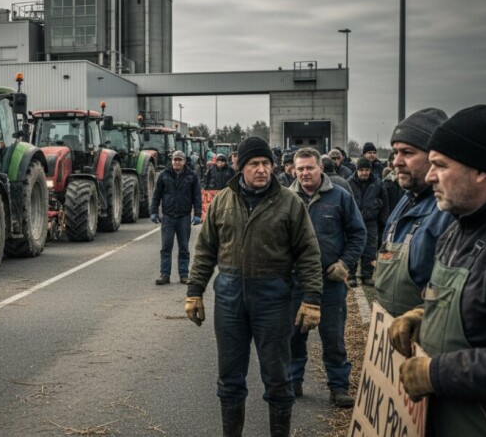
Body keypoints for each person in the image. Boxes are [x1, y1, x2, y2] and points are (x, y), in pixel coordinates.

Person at [389, 105, 486, 435]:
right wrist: (424, 316)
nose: (430, 176)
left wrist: (436, 373)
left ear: (480, 170)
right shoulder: (458, 227)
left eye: (440, 165)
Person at [185, 137, 322, 437]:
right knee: (230, 379)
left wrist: (312, 298)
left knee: (277, 378)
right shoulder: (222, 200)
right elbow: (206, 249)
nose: (261, 170)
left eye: (265, 164)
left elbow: (309, 253)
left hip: (273, 299)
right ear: (240, 166)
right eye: (253, 164)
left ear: (273, 167)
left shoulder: (290, 202)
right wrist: (195, 291)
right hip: (230, 298)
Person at [288, 148, 365, 408]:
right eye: (300, 169)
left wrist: (344, 264)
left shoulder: (340, 197)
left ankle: (339, 386)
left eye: (309, 167)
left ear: (321, 167)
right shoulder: (286, 199)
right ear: (293, 170)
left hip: (330, 283)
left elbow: (358, 233)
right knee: (294, 335)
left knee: (333, 337)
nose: (305, 173)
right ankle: (293, 380)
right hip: (295, 282)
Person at [374, 108, 454, 317]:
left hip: (425, 341)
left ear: (436, 157)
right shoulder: (407, 200)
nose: (396, 162)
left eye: (408, 152)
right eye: (395, 152)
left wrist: (421, 318)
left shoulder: (449, 211)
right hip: (394, 336)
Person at [150, 150, 202, 285]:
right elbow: (156, 195)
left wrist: (197, 214)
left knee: (184, 247)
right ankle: (164, 275)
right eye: (175, 159)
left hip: (184, 217)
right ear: (171, 161)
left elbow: (197, 196)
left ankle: (184, 275)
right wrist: (154, 212)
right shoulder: (163, 175)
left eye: (180, 160)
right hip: (168, 217)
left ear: (184, 161)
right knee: (166, 246)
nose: (177, 162)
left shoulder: (192, 176)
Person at [348, 157, 388, 287]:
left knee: (370, 249)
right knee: (352, 248)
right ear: (357, 170)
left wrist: (384, 221)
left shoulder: (378, 183)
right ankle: (351, 275)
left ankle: (367, 275)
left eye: (367, 170)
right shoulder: (349, 183)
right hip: (353, 222)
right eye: (361, 170)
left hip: (371, 222)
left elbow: (385, 203)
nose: (364, 172)